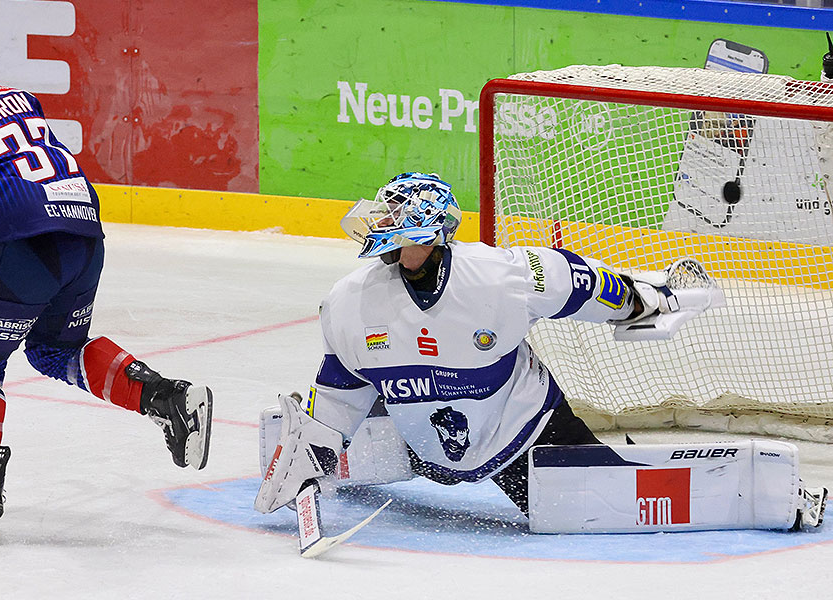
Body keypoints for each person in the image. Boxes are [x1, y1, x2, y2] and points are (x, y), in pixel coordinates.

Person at [254, 172, 826, 533]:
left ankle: (769, 495)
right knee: (353, 422)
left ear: (429, 234)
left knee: (618, 503)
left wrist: (649, 299)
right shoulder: (350, 302)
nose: (379, 231)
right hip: (418, 442)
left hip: (521, 433)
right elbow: (337, 396)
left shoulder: (502, 276)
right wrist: (313, 457)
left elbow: (585, 285)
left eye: (395, 224)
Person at [0, 24, 213, 545]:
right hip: (82, 229)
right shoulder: (17, 98)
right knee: (57, 350)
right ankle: (166, 397)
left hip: (17, 239)